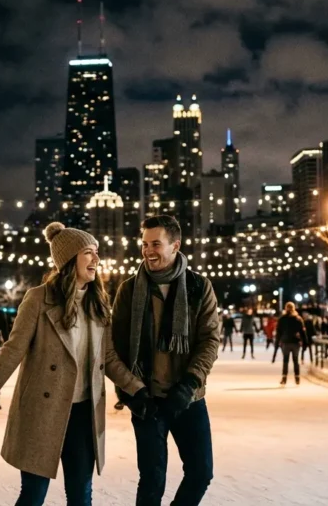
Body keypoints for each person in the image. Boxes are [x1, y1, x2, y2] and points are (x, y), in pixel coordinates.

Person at [0, 222, 147, 506]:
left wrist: (137, 389)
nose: (96, 259)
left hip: (84, 415)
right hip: (42, 411)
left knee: (81, 497)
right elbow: (11, 352)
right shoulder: (38, 299)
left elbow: (107, 359)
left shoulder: (98, 305)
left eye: (97, 252)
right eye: (88, 252)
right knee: (33, 496)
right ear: (70, 258)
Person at [109, 214, 221, 506]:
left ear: (175, 245)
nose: (148, 251)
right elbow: (113, 349)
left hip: (188, 398)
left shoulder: (198, 287)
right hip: (147, 400)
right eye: (145, 244)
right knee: (152, 481)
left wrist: (189, 384)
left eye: (156, 244)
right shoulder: (129, 289)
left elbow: (210, 340)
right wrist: (133, 390)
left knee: (201, 472)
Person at [273, 303, 308, 386]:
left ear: (286, 308)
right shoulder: (298, 319)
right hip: (296, 342)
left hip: (285, 342)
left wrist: (277, 343)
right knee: (296, 361)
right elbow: (303, 332)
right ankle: (297, 378)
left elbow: (278, 333)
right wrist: (305, 343)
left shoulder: (282, 319)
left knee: (285, 361)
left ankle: (284, 378)